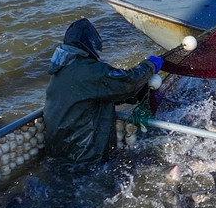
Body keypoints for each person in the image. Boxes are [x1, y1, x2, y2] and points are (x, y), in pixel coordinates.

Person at [44, 18, 163, 164]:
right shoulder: (88, 70)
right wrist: (150, 65)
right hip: (84, 156)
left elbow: (95, 93)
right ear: (88, 44)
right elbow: (127, 82)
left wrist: (133, 96)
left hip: (60, 151)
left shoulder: (61, 69)